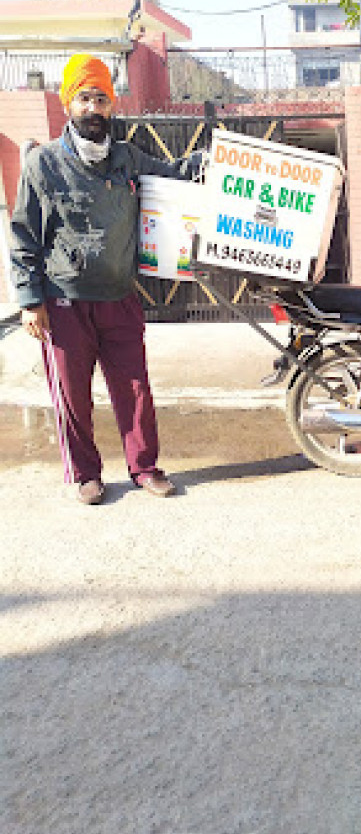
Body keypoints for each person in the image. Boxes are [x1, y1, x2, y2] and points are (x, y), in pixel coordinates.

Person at [10, 53, 194, 504]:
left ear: (112, 106)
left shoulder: (127, 157)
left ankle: (145, 467)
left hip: (119, 296)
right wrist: (30, 299)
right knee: (72, 397)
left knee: (135, 389)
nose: (94, 109)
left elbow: (173, 179)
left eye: (102, 99)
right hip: (63, 301)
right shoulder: (44, 164)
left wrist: (209, 163)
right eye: (85, 98)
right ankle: (84, 474)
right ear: (69, 104)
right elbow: (23, 232)